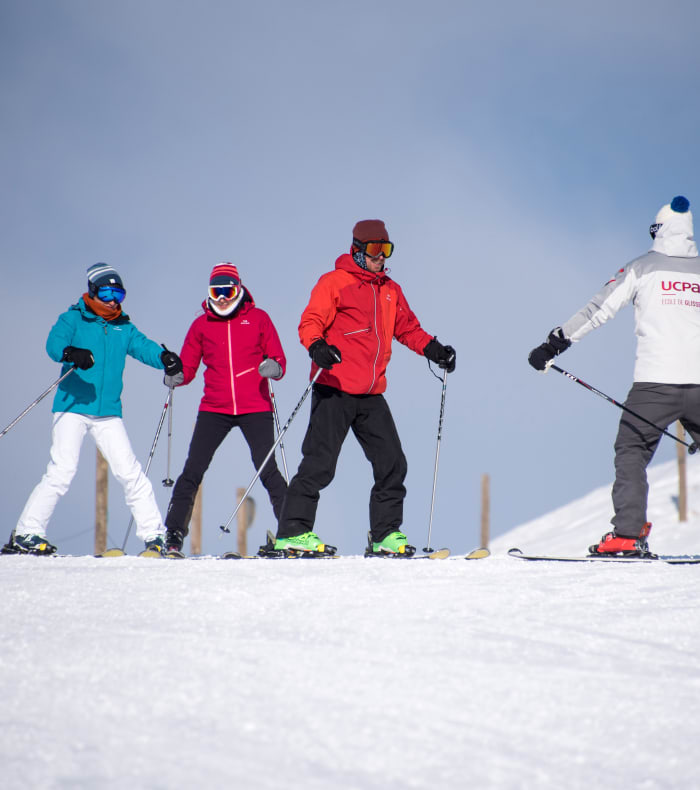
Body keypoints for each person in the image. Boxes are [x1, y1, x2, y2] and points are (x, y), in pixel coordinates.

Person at [273, 219, 456, 557]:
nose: (380, 257)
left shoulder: (390, 289)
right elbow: (310, 321)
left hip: (371, 393)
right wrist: (317, 347)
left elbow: (407, 328)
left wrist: (433, 348)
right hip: (334, 387)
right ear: (357, 250)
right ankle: (293, 532)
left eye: (386, 250)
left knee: (392, 462)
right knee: (320, 463)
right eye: (374, 250)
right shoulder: (334, 283)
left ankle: (385, 535)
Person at [528, 196, 700, 557]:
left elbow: (599, 308)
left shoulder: (642, 267)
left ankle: (627, 534)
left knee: (632, 450)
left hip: (656, 383)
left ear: (659, 230)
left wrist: (554, 344)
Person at [3, 263, 182, 556]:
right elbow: (53, 344)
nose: (114, 300)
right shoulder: (73, 319)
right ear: (93, 291)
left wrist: (165, 357)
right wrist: (70, 353)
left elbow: (144, 347)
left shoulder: (123, 326)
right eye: (108, 292)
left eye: (119, 293)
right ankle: (27, 533)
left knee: (130, 472)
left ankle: (155, 537)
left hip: (108, 412)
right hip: (72, 407)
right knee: (62, 471)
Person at [162, 263, 288, 554]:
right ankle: (173, 534)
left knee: (266, 468)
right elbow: (188, 367)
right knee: (193, 468)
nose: (221, 299)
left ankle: (292, 529)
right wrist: (175, 375)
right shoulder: (201, 325)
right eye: (215, 292)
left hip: (254, 405)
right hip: (215, 407)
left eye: (227, 291)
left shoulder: (258, 319)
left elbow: (278, 358)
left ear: (239, 289)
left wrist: (274, 367)